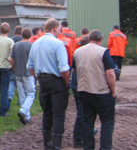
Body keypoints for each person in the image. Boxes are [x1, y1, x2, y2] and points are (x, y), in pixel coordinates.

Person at [27, 18, 70, 150]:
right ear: (55, 28)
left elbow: (30, 66)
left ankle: (47, 144)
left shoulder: (35, 44)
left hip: (43, 81)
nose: (60, 32)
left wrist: (38, 78)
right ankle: (56, 145)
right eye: (59, 29)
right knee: (58, 113)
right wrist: (66, 83)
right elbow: (64, 68)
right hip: (56, 80)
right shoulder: (58, 44)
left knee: (47, 112)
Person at [73, 29, 117, 150]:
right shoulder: (103, 52)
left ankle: (88, 147)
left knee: (87, 122)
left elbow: (75, 71)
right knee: (107, 122)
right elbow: (110, 74)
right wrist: (113, 91)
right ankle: (105, 147)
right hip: (102, 92)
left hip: (84, 91)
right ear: (100, 39)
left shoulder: (77, 52)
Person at [10, 28, 34, 125]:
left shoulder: (15, 45)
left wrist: (14, 68)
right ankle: (24, 111)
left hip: (18, 73)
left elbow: (11, 59)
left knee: (22, 95)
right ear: (30, 35)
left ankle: (27, 117)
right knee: (31, 93)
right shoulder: (31, 46)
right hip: (28, 73)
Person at [71, 35, 90, 148]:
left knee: (82, 111)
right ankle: (78, 138)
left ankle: (85, 132)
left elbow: (73, 69)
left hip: (75, 85)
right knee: (82, 113)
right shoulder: (85, 55)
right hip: (81, 86)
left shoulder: (77, 53)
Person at [9, 25, 23, 102]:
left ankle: (10, 95)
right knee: (21, 83)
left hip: (12, 64)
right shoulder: (24, 40)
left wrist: (12, 66)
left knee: (11, 81)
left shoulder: (10, 40)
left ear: (14, 32)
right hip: (22, 66)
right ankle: (20, 100)